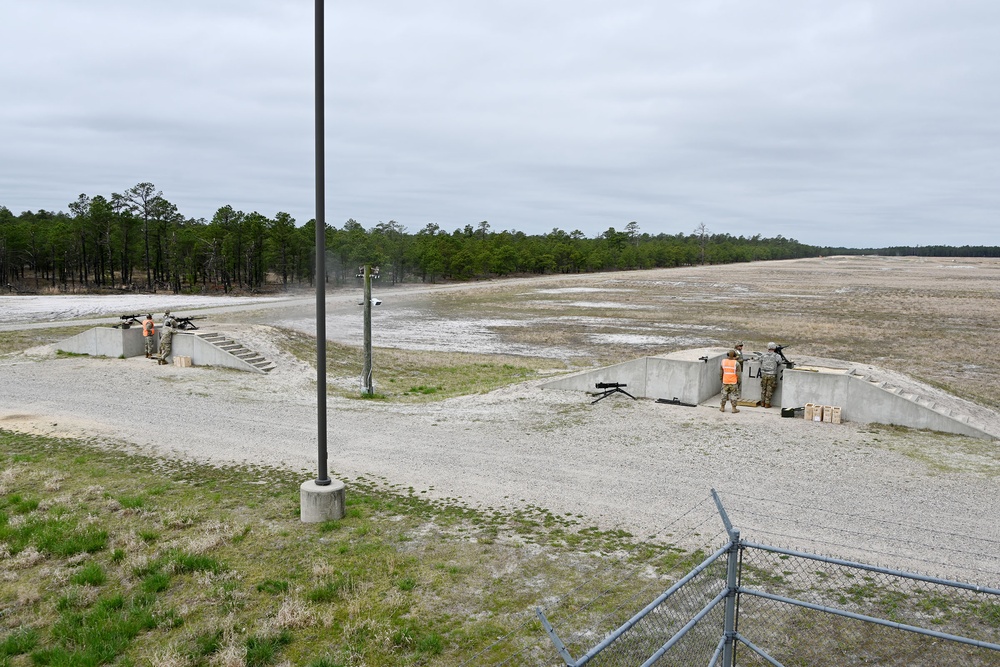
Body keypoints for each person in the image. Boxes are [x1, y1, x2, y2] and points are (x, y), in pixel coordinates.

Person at [759, 342, 782, 408]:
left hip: (764, 374)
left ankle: (762, 402)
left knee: (763, 388)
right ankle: (767, 403)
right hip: (772, 374)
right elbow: (780, 362)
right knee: (769, 389)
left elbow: (760, 360)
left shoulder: (763, 355)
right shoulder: (776, 356)